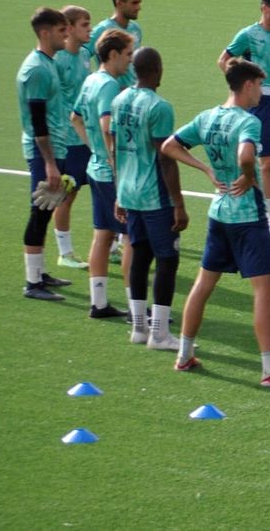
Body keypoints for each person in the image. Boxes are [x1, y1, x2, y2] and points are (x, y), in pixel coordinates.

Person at [160, 58, 270, 387]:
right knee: (264, 292)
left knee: (204, 284)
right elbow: (246, 155)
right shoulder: (249, 122)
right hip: (247, 217)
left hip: (219, 213)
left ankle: (184, 354)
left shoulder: (208, 117)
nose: (261, 92)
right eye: (259, 85)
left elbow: (170, 146)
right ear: (247, 85)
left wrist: (206, 170)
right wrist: (247, 175)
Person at [111, 47, 188, 349]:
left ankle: (139, 327)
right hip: (154, 196)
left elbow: (116, 149)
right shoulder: (159, 106)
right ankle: (159, 333)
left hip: (129, 193)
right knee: (168, 259)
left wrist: (118, 193)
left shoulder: (119, 101)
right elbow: (166, 159)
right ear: (157, 68)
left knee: (140, 256)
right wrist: (178, 203)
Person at [71, 29, 135, 318]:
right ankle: (138, 309)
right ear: (113, 55)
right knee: (131, 239)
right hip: (113, 174)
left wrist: (94, 148)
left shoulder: (90, 80)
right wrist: (116, 165)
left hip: (95, 169)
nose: (130, 62)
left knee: (102, 235)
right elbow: (109, 128)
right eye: (128, 55)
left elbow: (75, 118)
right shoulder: (109, 84)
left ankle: (98, 303)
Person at [220, 0, 270, 236]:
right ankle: (267, 215)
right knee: (266, 161)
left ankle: (267, 206)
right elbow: (225, 60)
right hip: (260, 105)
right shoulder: (249, 35)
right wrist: (241, 89)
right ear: (265, 8)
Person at [17, 7, 78, 301]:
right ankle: (32, 282)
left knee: (47, 208)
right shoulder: (37, 70)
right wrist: (50, 164)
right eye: (61, 31)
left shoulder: (48, 62)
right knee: (39, 212)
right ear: (45, 33)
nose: (66, 35)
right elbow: (37, 120)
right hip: (44, 151)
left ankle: (39, 273)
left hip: (56, 147)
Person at [52, 4, 95, 270]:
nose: (89, 29)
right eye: (84, 25)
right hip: (68, 141)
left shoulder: (83, 55)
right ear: (68, 29)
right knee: (68, 195)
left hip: (87, 136)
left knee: (106, 188)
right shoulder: (58, 61)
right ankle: (65, 253)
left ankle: (113, 245)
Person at [87, 0, 143, 87]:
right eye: (134, 3)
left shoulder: (136, 29)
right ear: (119, 4)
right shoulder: (102, 30)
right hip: (111, 92)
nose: (139, 7)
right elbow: (81, 53)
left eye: (139, 2)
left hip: (132, 93)